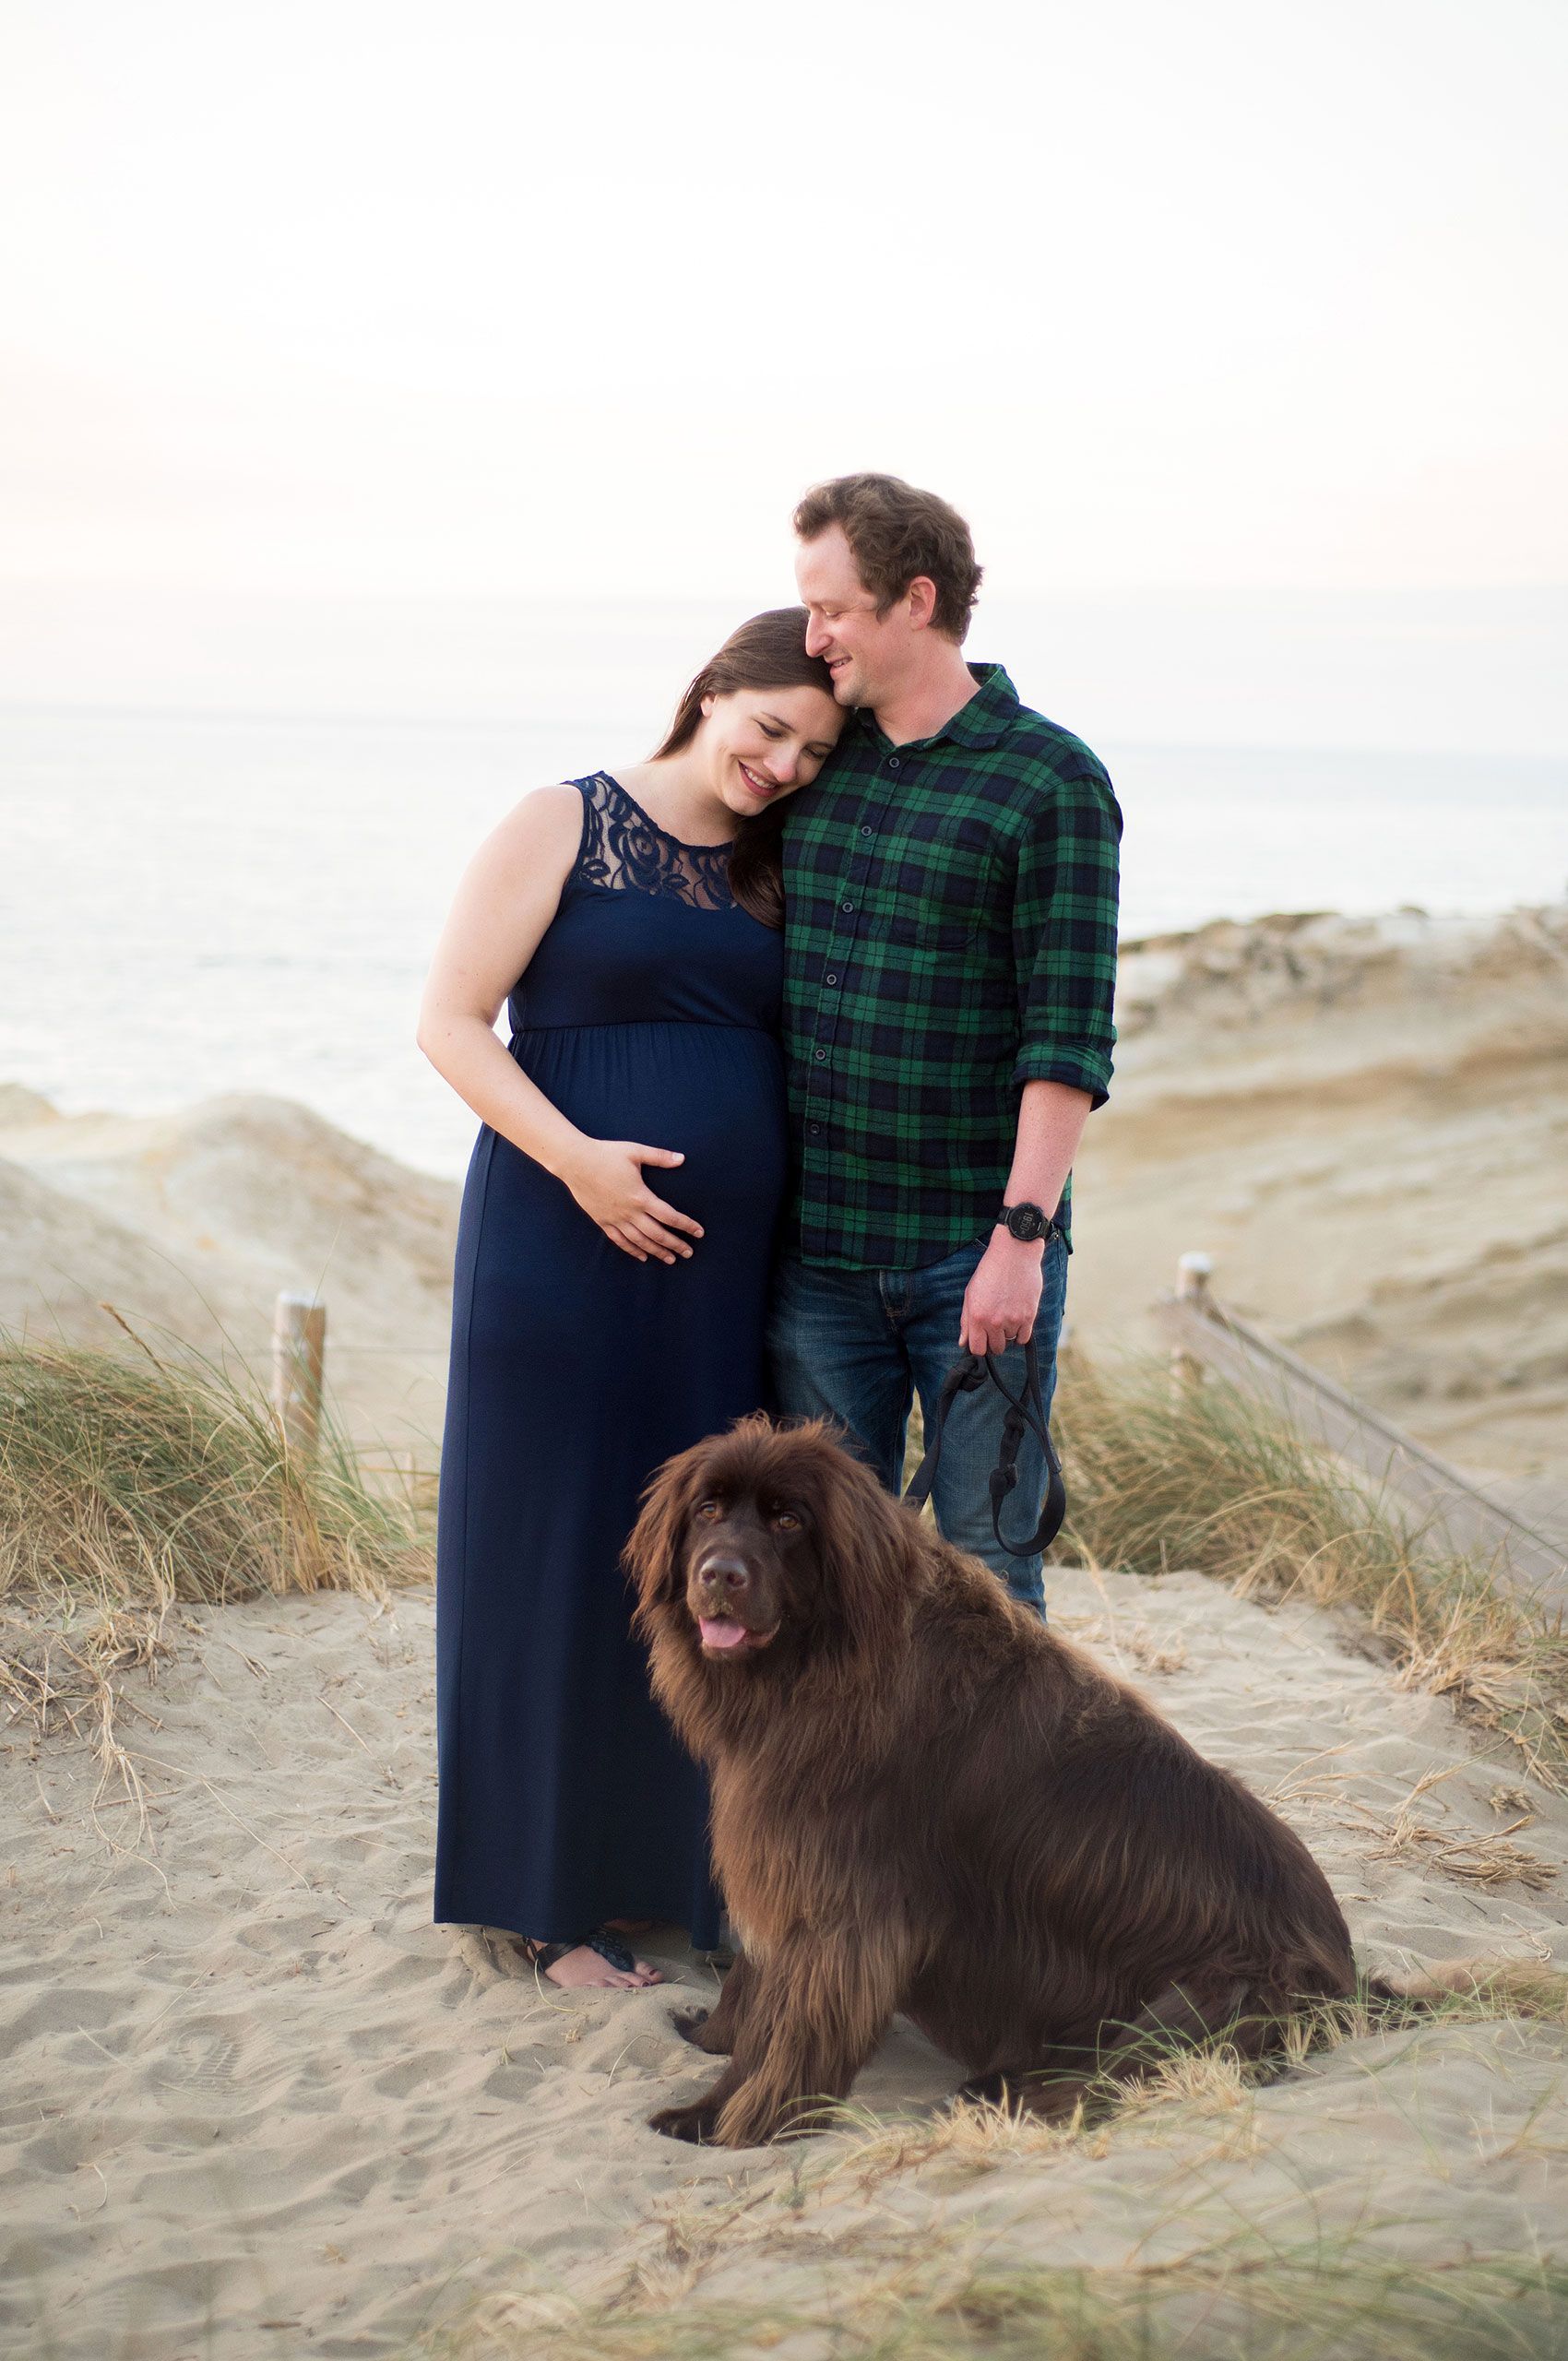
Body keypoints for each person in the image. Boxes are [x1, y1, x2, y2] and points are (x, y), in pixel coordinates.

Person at [419, 611, 842, 1989]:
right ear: (713, 691)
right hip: (557, 1243)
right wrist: (582, 1166)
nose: (780, 763)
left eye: (812, 751)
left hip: (716, 1283)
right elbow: (449, 1022)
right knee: (552, 1549)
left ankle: (679, 1878)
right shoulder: (564, 820)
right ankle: (548, 1905)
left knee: (693, 1572)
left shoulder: (783, 870)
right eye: (768, 727)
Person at [768, 473, 1122, 1620]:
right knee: (818, 1576)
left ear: (915, 600)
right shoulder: (818, 763)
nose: (812, 636)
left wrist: (1018, 1241)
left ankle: (995, 1811)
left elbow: (1064, 1039)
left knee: (982, 1576)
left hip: (969, 1260)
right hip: (814, 1261)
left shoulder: (1048, 781)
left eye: (835, 610)